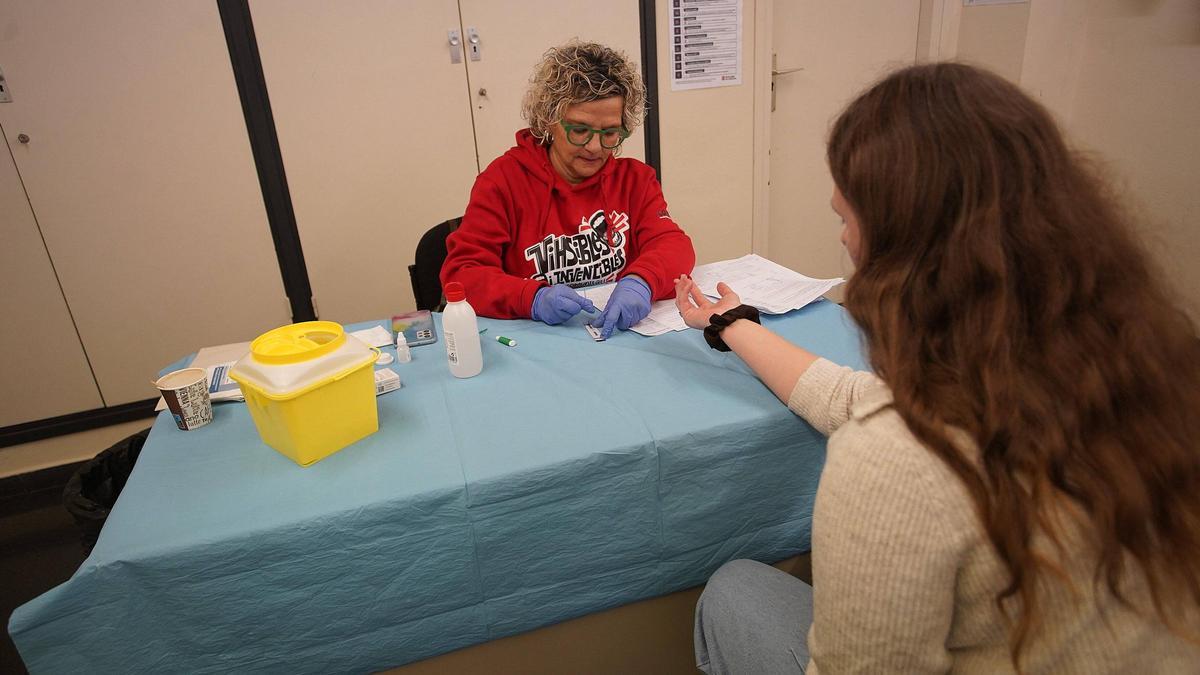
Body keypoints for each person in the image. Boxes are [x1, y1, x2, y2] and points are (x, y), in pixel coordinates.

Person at [681, 63, 1200, 673]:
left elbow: (888, 432)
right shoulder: (1153, 370)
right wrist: (732, 324)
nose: (844, 240)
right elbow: (857, 398)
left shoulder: (895, 462)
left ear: (905, 254)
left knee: (734, 590)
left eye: (846, 219)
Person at [440, 41, 695, 339]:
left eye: (610, 132)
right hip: (536, 341)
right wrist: (530, 298)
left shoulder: (634, 180)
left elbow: (673, 245)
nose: (595, 147)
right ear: (550, 119)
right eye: (580, 130)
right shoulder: (502, 182)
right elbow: (463, 273)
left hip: (616, 338)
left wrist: (642, 281)